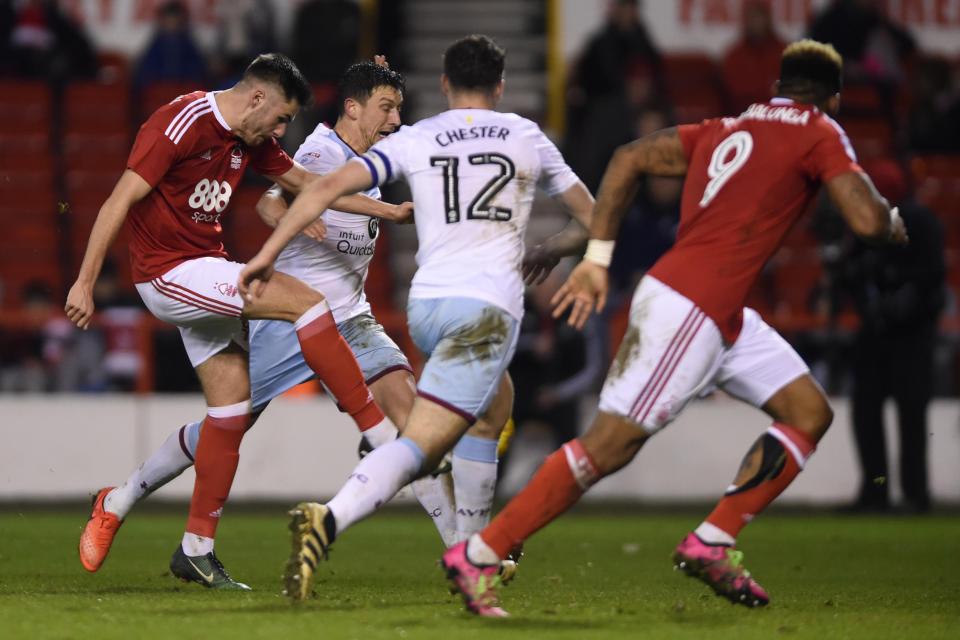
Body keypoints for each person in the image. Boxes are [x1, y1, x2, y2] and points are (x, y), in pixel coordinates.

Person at [441, 39, 909, 617]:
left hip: (724, 313)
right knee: (608, 446)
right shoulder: (819, 128)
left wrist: (597, 255)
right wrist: (890, 223)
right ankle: (480, 554)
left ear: (777, 87)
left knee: (808, 412)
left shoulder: (727, 126)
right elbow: (865, 220)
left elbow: (628, 157)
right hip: (693, 305)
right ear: (832, 97)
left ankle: (712, 541)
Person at [75, 60, 469, 583]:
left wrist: (388, 212)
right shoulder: (182, 122)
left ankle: (157, 525)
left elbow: (309, 185)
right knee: (306, 302)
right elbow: (121, 200)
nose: (282, 133)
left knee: (228, 418)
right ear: (258, 99)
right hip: (169, 274)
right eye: (281, 119)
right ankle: (376, 437)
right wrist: (84, 281)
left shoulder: (258, 136)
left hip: (273, 291)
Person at [237, 34, 595, 603]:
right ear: (500, 87)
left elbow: (326, 190)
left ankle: (466, 542)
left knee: (475, 409)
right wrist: (567, 253)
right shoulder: (523, 134)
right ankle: (449, 545)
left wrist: (262, 253)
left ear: (445, 86)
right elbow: (593, 218)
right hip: (480, 305)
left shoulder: (419, 138)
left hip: (422, 304)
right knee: (430, 439)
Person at [837, 158, 945, 513]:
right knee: (871, 413)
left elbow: (930, 280)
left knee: (909, 416)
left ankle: (908, 493)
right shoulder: (866, 220)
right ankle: (880, 491)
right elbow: (851, 271)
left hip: (911, 335)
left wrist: (896, 305)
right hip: (881, 333)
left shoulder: (917, 222)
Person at [721, 0, 785, 113]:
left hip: (778, 116)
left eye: (759, 18)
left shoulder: (784, 53)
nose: (756, 23)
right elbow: (735, 93)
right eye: (752, 18)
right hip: (743, 116)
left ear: (768, 20)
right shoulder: (734, 56)